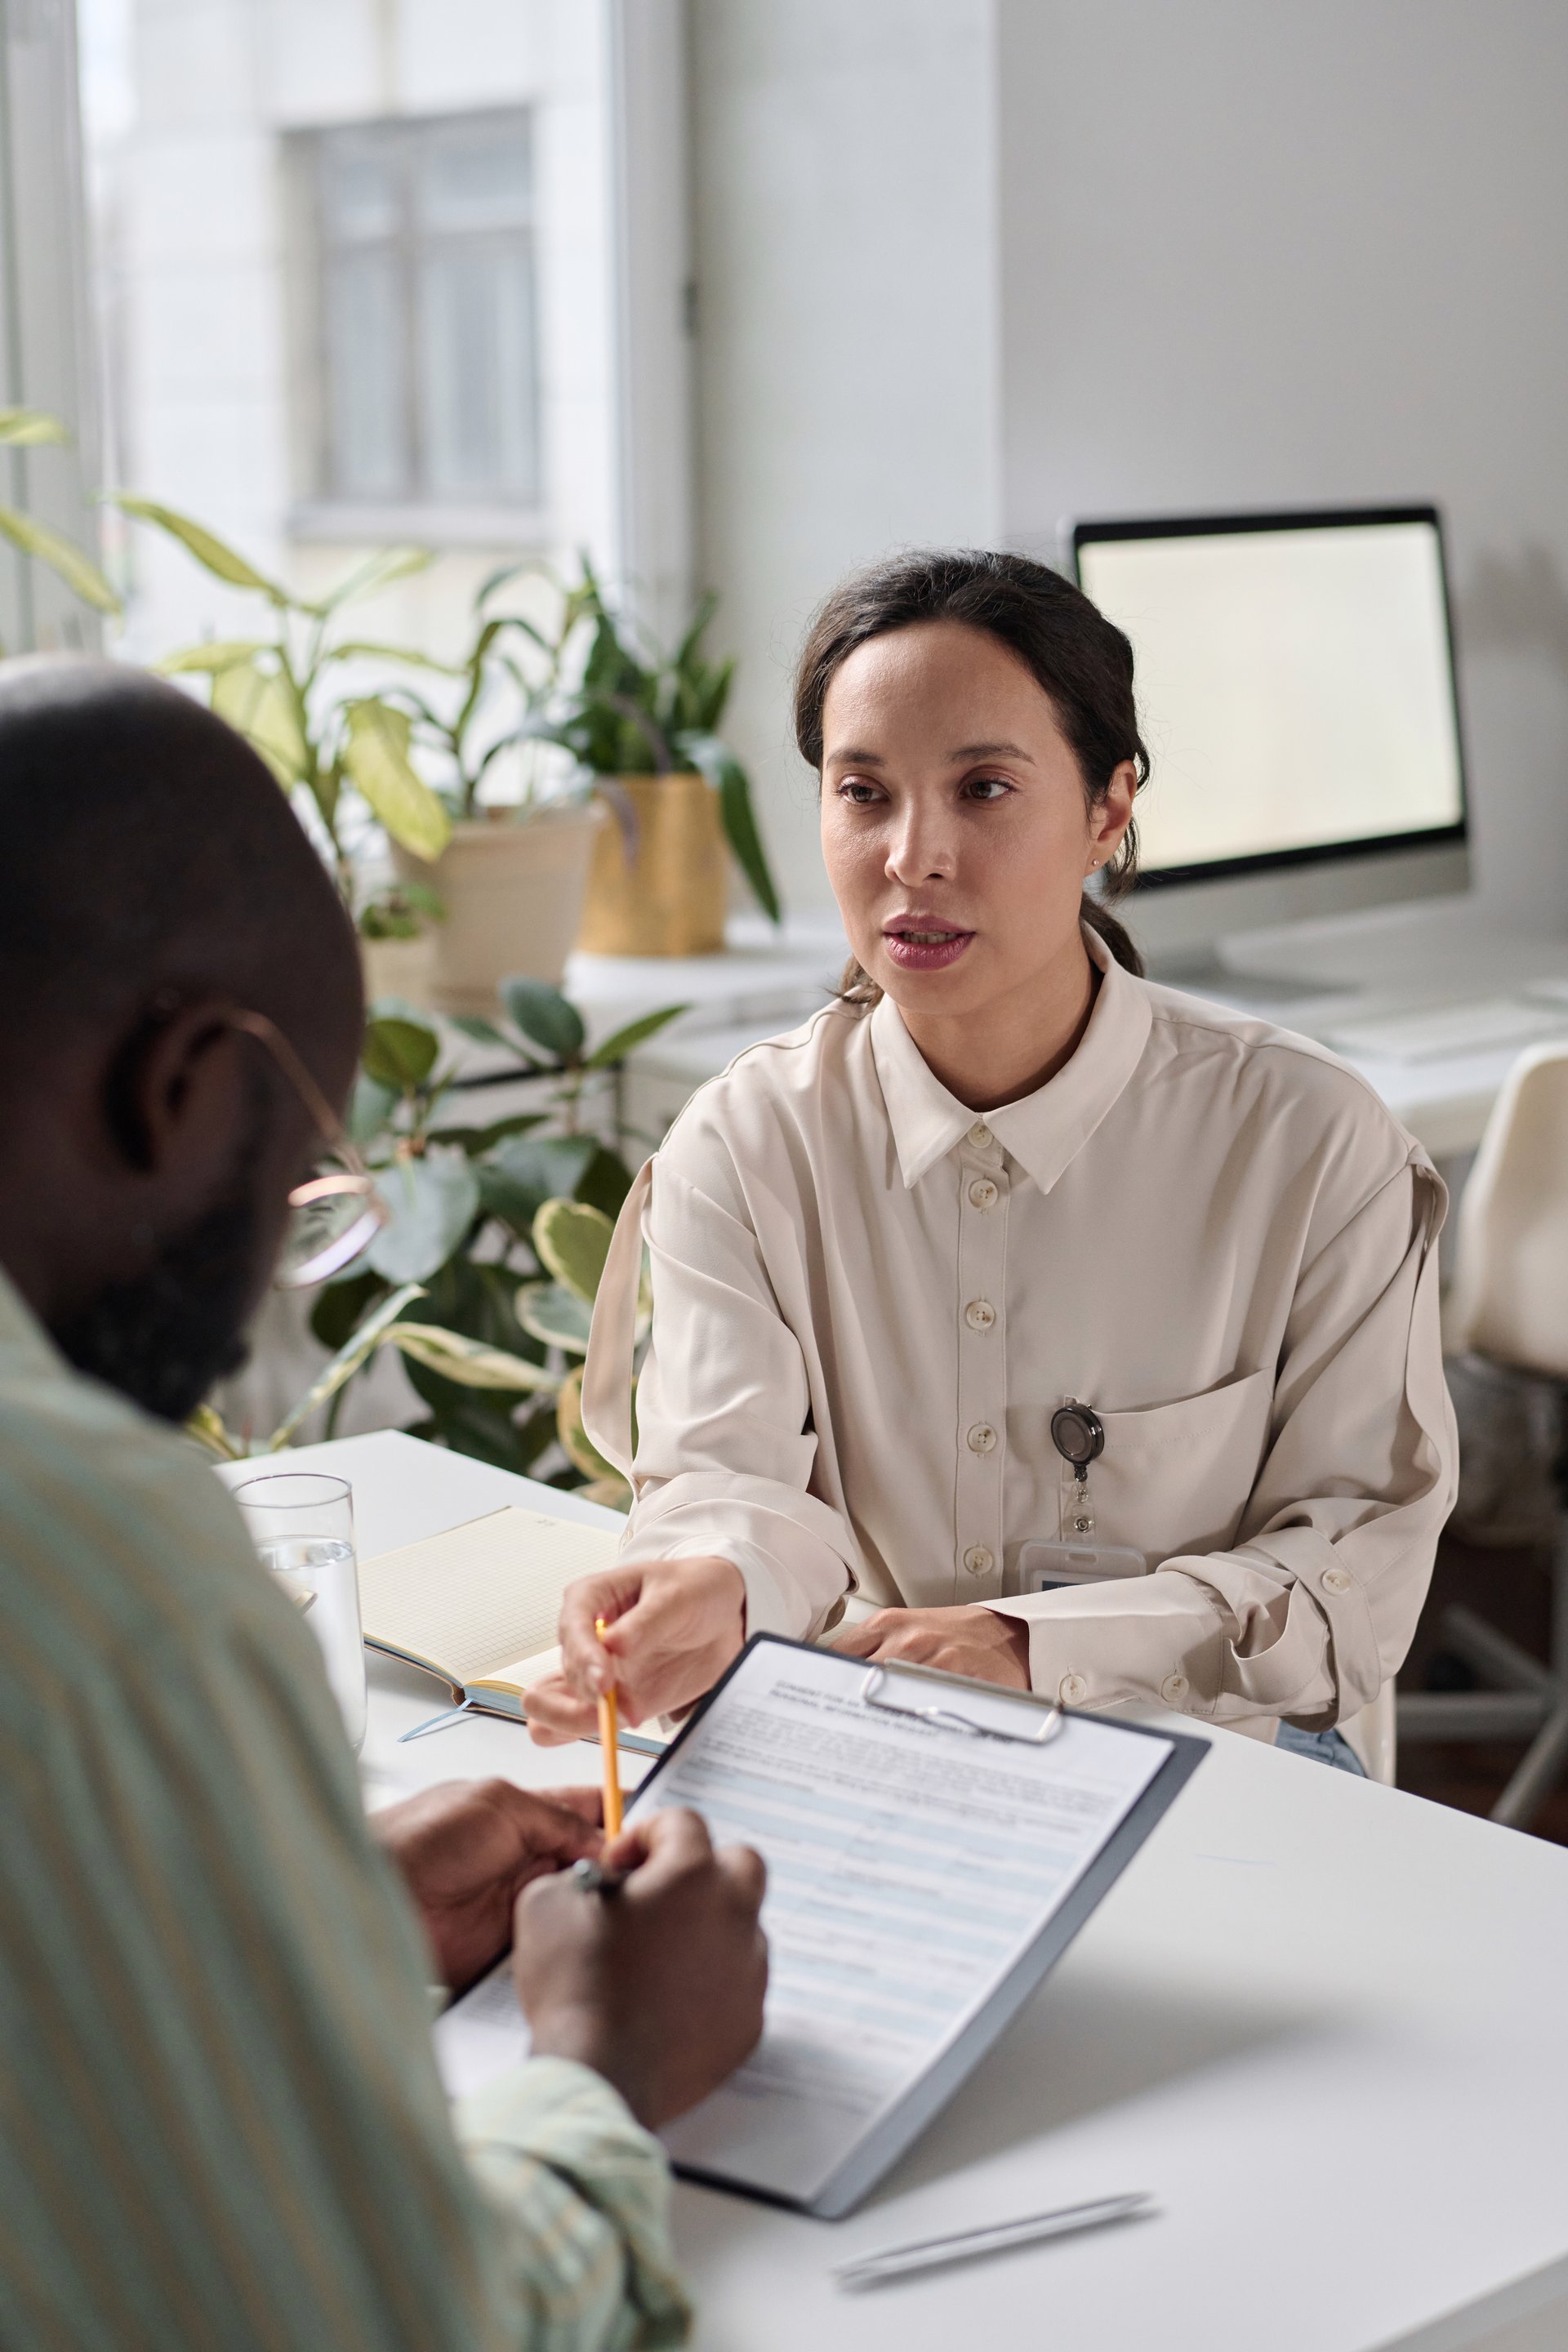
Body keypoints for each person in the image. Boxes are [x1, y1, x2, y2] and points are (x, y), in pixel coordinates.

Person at [0, 656, 767, 2350]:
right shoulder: (98, 1563)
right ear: (179, 1079)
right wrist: (603, 2074)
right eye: (304, 1181)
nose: (283, 1257)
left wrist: (305, 1903)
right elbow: (386, 2318)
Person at [526, 547, 1459, 1772]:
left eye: (984, 789)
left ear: (1108, 809)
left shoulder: (1311, 1143)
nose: (915, 855)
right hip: (887, 1740)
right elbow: (731, 1485)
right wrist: (714, 1580)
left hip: (1219, 1758)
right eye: (865, 793)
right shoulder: (744, 1145)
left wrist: (1031, 1651)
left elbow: (1346, 1585)